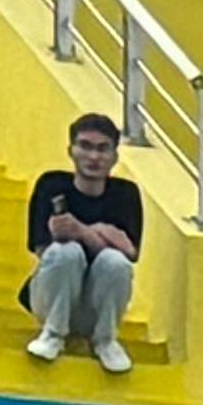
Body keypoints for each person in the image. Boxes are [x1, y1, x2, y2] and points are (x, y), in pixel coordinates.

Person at [21, 112, 146, 374]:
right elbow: (44, 252)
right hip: (52, 298)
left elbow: (129, 253)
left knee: (115, 262)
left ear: (114, 157)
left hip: (97, 307)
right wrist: (103, 234)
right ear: (71, 151)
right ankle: (53, 335)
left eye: (102, 149)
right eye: (85, 146)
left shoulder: (125, 194)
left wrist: (81, 231)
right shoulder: (51, 185)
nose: (93, 157)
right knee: (66, 252)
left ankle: (105, 341)